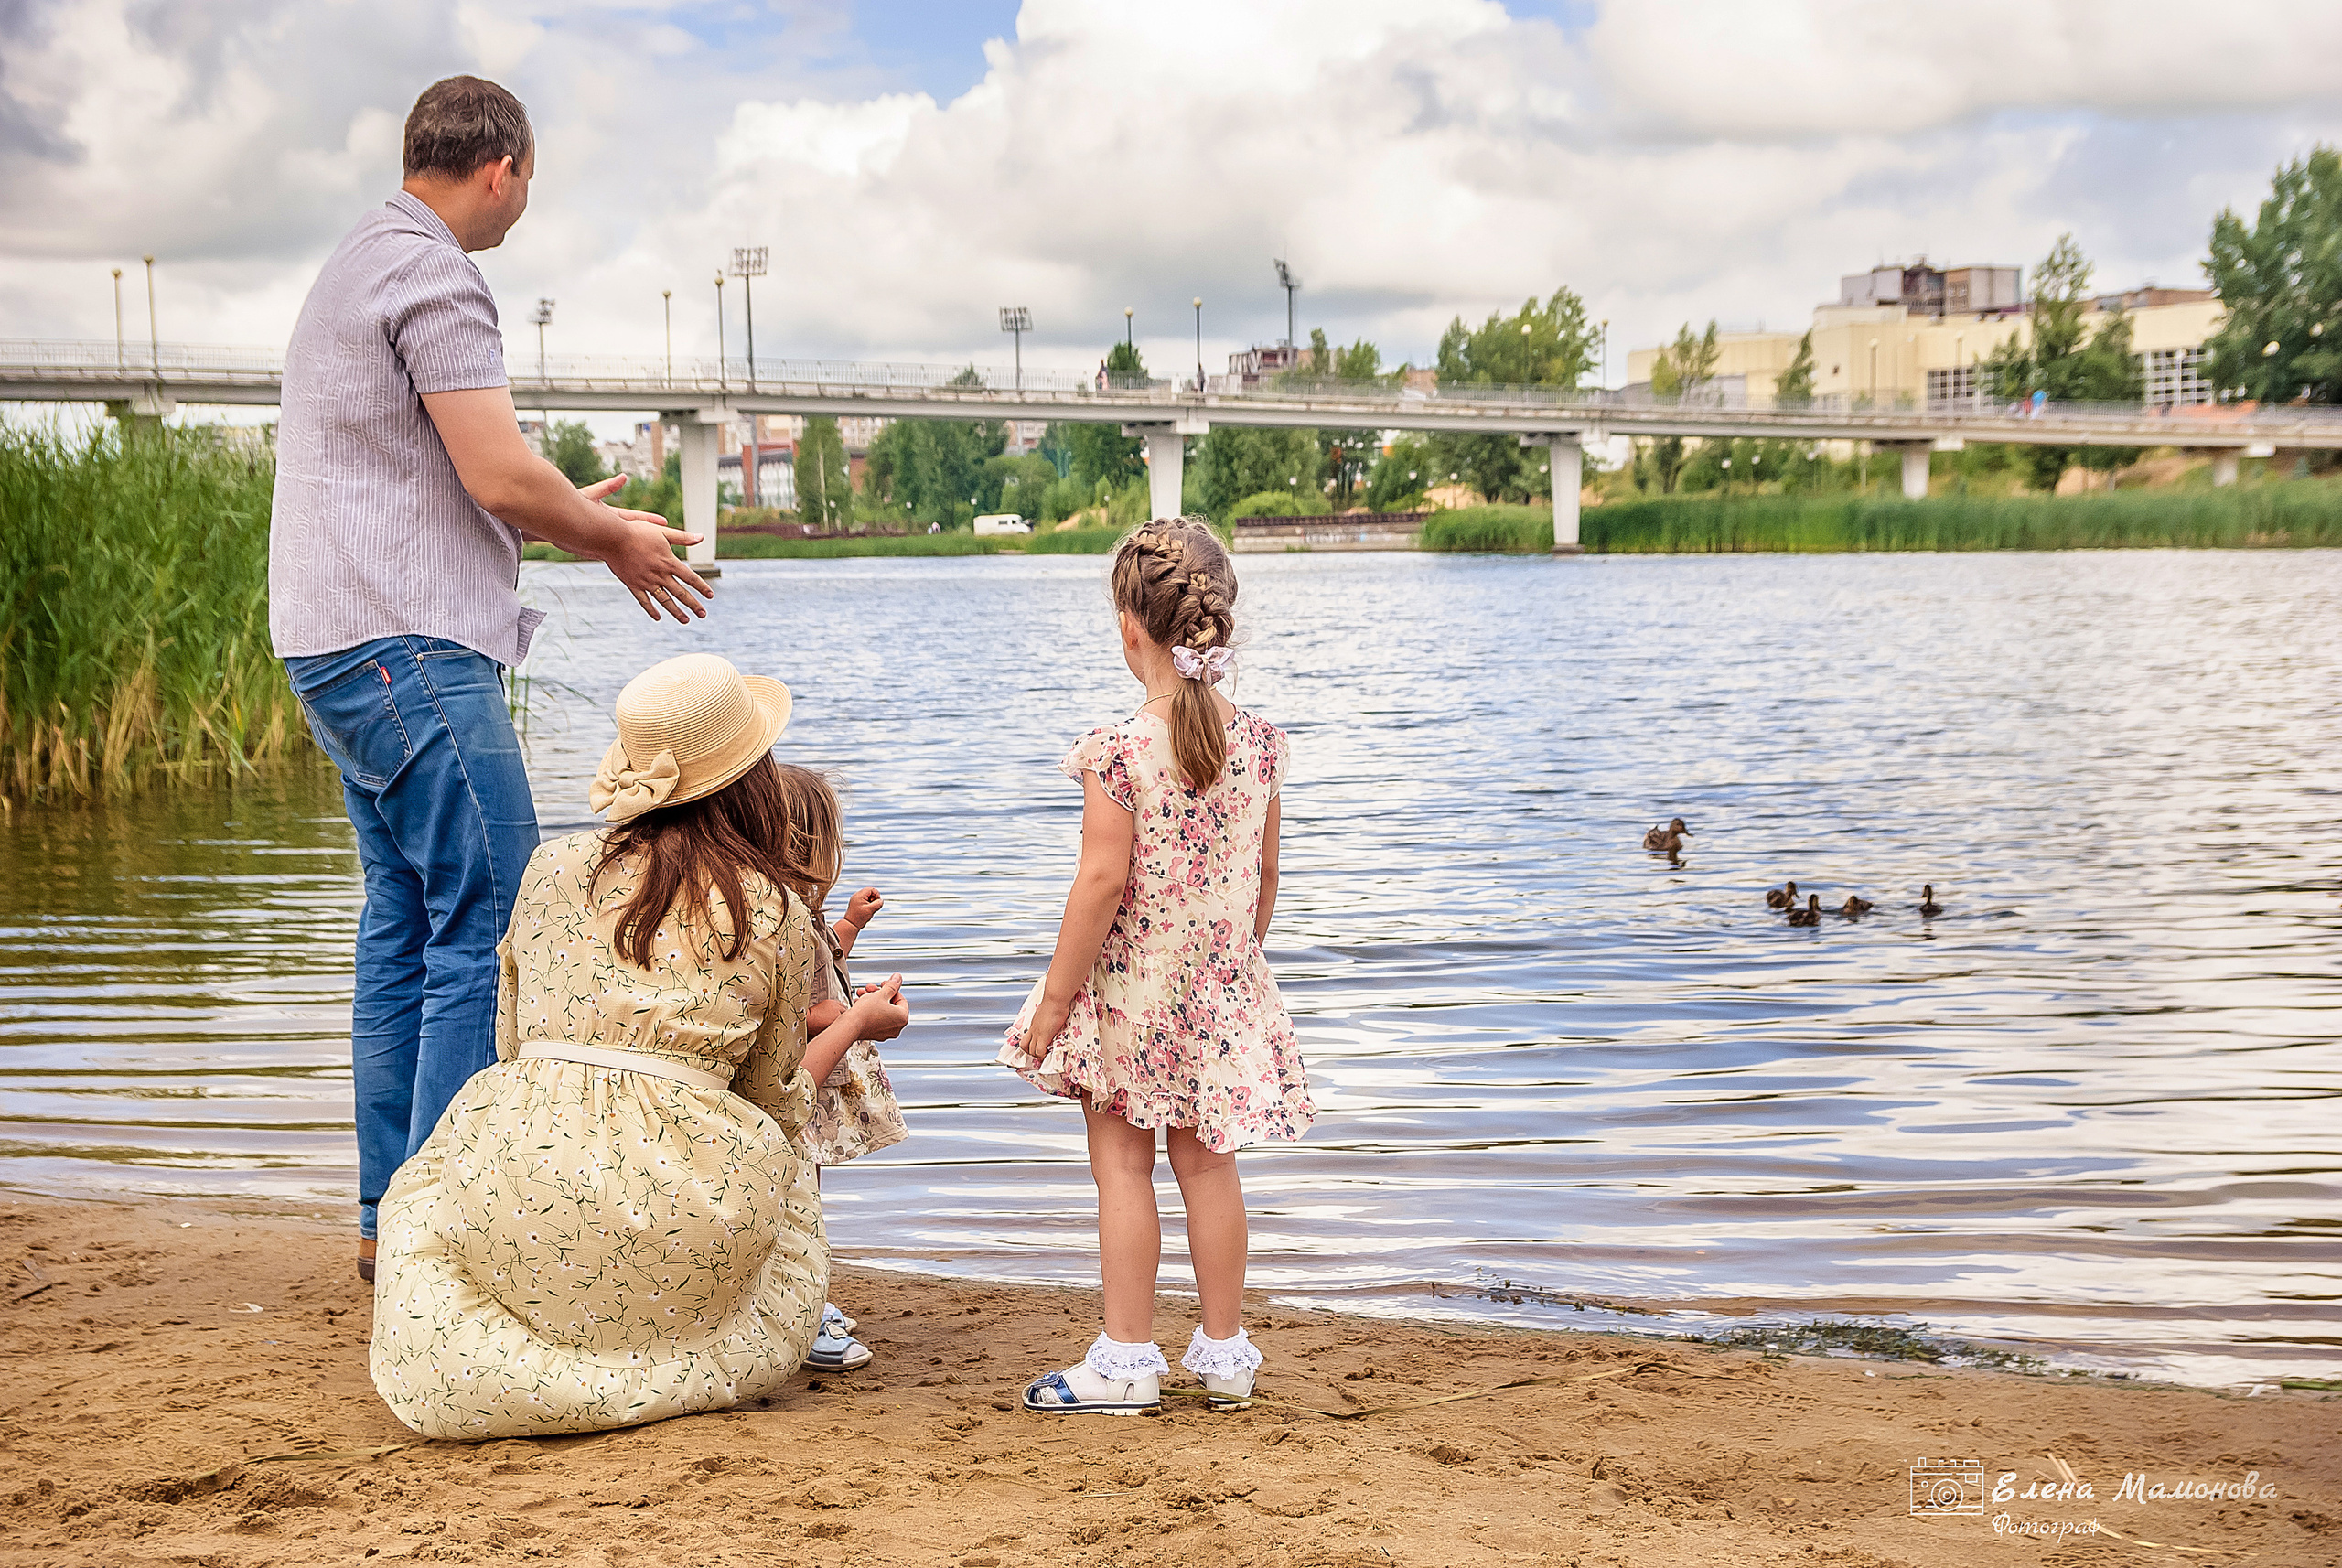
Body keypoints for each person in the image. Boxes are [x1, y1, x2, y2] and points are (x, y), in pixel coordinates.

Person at [269, 75, 714, 1283]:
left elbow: (447, 478)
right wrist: (604, 534)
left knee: (405, 923)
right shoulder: (437, 271)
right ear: (503, 167)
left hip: (335, 642)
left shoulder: (359, 257)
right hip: (407, 647)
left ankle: (385, 1217)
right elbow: (498, 471)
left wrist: (567, 512)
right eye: (532, 182)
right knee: (495, 913)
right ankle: (446, 1231)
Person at [369, 654, 909, 1440]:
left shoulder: (550, 867)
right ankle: (667, 1347)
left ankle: (549, 1341)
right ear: (755, 778)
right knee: (775, 1166)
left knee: (426, 1192)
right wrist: (856, 1023)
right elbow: (776, 1102)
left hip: (522, 1182)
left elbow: (514, 1040)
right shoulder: (775, 912)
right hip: (681, 1221)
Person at [998, 517, 1310, 1416]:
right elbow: (1265, 876)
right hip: (1217, 991)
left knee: (1122, 1170)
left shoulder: (1119, 752)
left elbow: (1100, 884)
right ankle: (1224, 1353)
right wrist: (1236, 964)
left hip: (1131, 994)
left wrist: (1054, 1005)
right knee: (1211, 1167)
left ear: (1129, 627)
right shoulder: (1260, 746)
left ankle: (1127, 1360)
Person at [772, 762, 910, 1374]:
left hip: (810, 1080)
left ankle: (806, 1295)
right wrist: (853, 1015)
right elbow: (789, 1010)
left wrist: (851, 924)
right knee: (797, 1199)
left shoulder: (795, 914)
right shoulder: (779, 920)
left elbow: (821, 969)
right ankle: (804, 1310)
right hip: (797, 1080)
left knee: (807, 1193)